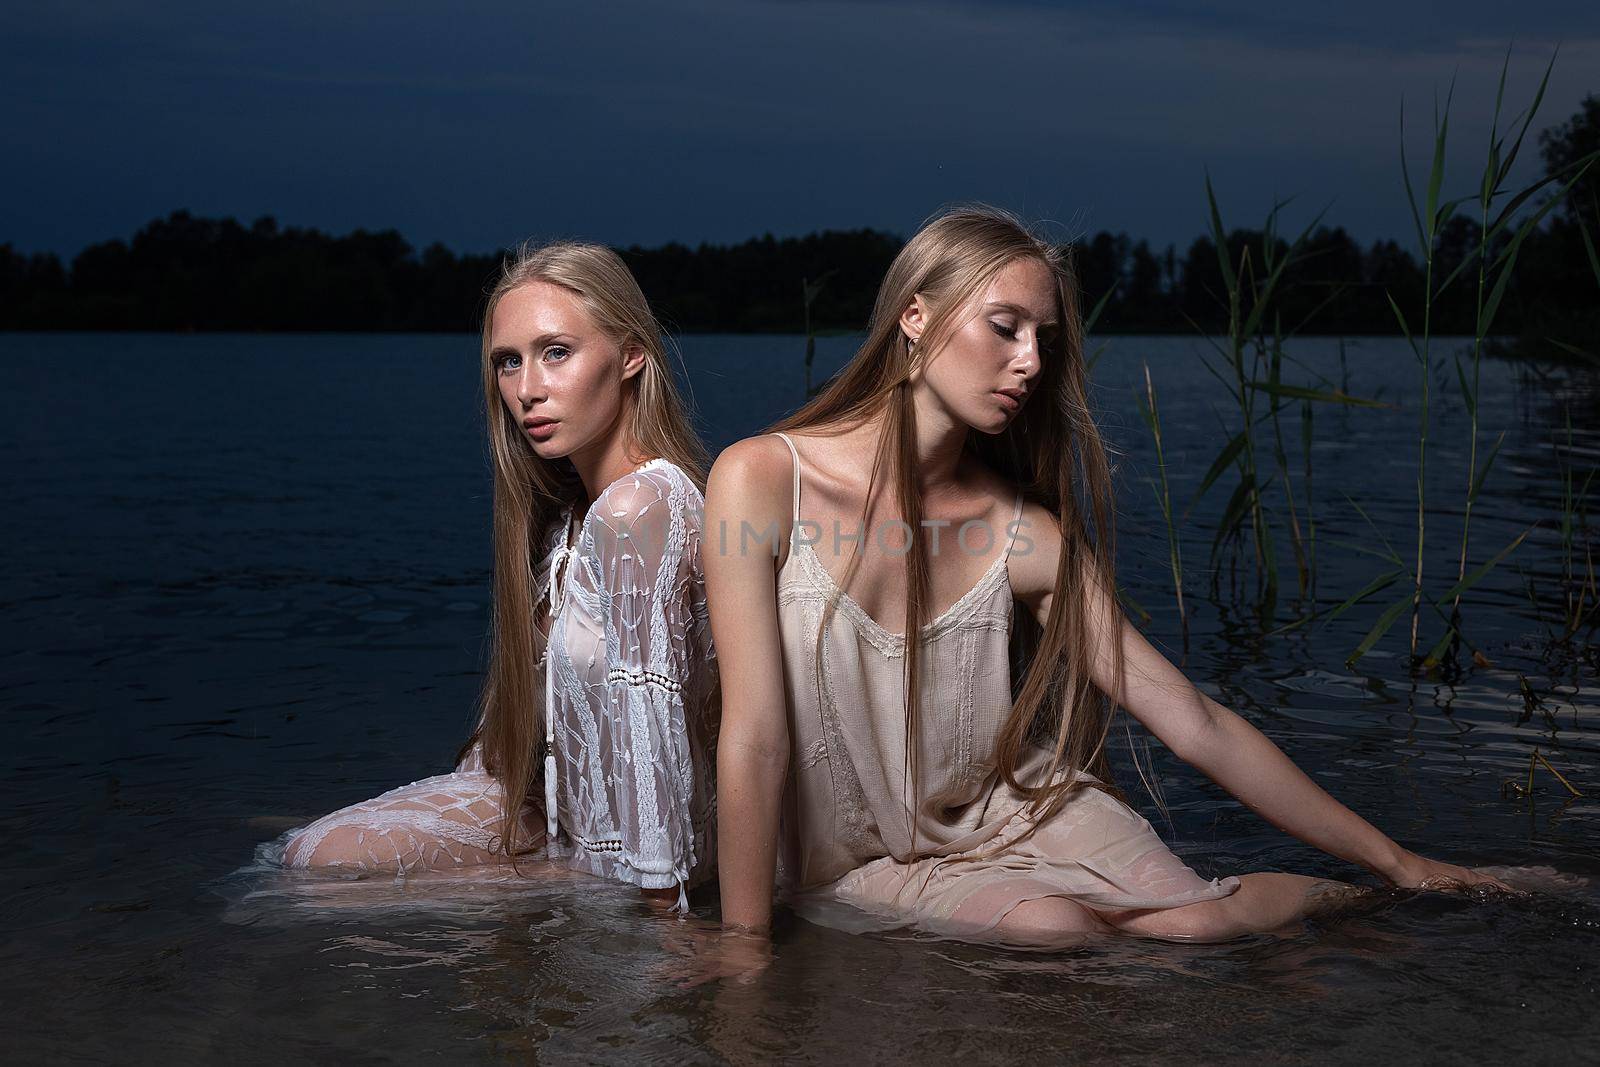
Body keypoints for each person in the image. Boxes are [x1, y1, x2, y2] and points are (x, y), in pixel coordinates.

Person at [700, 204, 1514, 967]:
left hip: (1021, 813)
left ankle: (1360, 897)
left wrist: (1403, 860)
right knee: (1052, 927)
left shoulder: (1026, 537)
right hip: (856, 858)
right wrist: (744, 950)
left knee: (1196, 923)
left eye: (1044, 338)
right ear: (915, 316)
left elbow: (1194, 723)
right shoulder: (764, 479)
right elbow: (756, 739)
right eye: (1005, 327)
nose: (1031, 362)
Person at [276, 241, 719, 910]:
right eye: (508, 362)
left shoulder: (640, 507)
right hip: (555, 812)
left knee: (315, 871)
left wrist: (664, 922)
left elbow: (648, 726)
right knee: (310, 857)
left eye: (556, 352)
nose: (527, 389)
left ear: (631, 356)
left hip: (634, 856)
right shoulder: (573, 510)